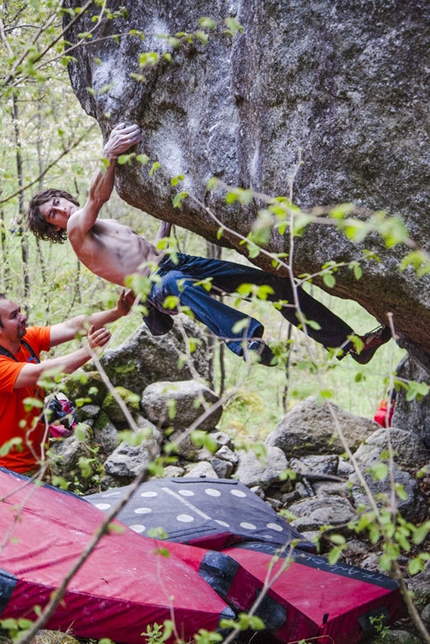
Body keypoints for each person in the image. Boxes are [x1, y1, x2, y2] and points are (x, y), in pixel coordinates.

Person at [27, 123, 391, 367]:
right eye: (52, 215)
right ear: (55, 229)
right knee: (171, 284)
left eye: (57, 203)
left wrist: (167, 220)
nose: (60, 210)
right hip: (158, 285)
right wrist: (109, 155)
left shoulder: (105, 225)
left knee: (277, 286)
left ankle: (349, 345)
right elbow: (95, 197)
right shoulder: (78, 231)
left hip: (175, 263)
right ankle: (245, 340)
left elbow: (146, 249)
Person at [0, 289, 134, 476]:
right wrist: (89, 350)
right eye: (14, 316)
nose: (23, 317)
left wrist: (117, 312)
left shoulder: (27, 340)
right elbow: (42, 371)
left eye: (20, 311)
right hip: (8, 471)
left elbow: (73, 326)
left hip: (38, 458)